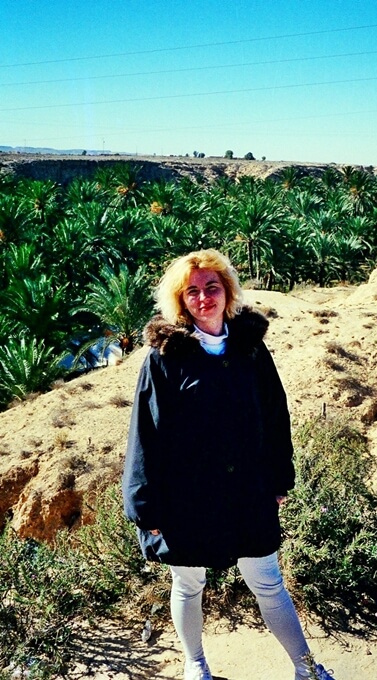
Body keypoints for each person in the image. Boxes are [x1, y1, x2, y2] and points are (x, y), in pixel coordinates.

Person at [122, 249, 335, 680]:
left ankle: (305, 667)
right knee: (188, 583)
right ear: (181, 301)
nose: (204, 298)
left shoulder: (251, 349)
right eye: (193, 291)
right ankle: (195, 665)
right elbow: (145, 435)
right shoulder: (165, 358)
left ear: (227, 292)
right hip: (187, 495)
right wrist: (145, 507)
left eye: (212, 287)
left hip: (247, 491)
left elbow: (276, 416)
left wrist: (279, 478)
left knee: (269, 581)